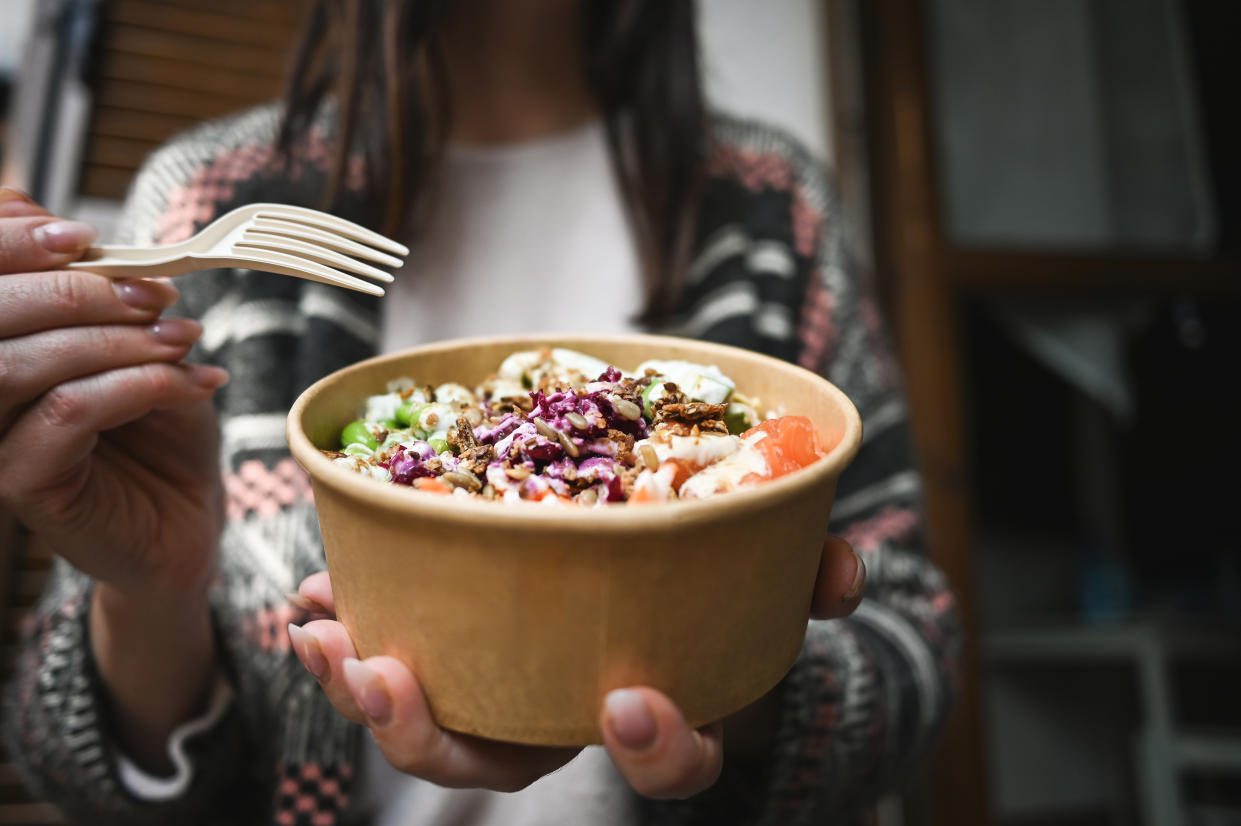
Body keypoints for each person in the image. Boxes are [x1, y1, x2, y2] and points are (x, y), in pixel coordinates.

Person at [0, 1, 960, 824]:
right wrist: (154, 590)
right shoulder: (204, 207)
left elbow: (914, 649)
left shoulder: (772, 208)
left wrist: (732, 670)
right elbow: (59, 759)